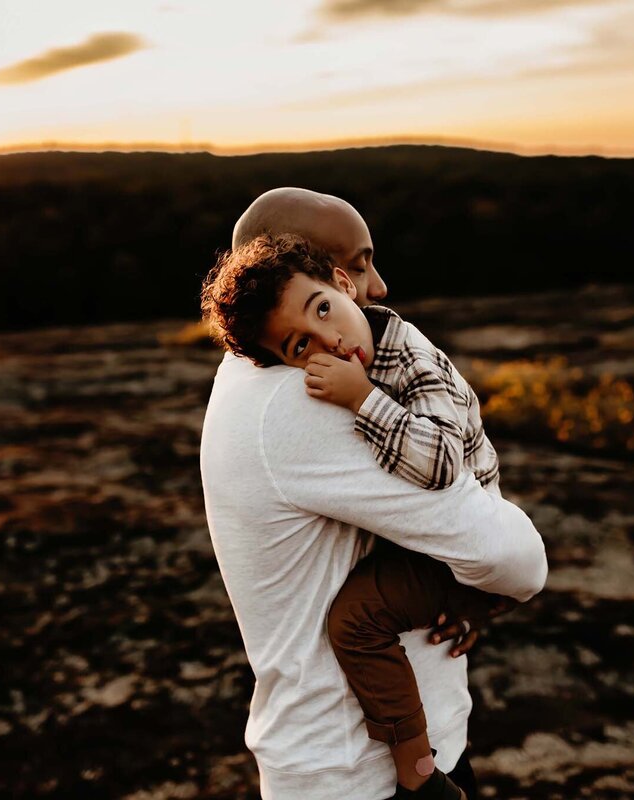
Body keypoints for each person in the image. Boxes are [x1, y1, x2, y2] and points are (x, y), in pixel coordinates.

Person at [199, 188, 547, 799]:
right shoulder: (298, 399)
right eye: (359, 264)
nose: (377, 286)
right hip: (361, 778)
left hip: (392, 757)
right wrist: (485, 581)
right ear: (293, 268)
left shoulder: (267, 374)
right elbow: (517, 557)